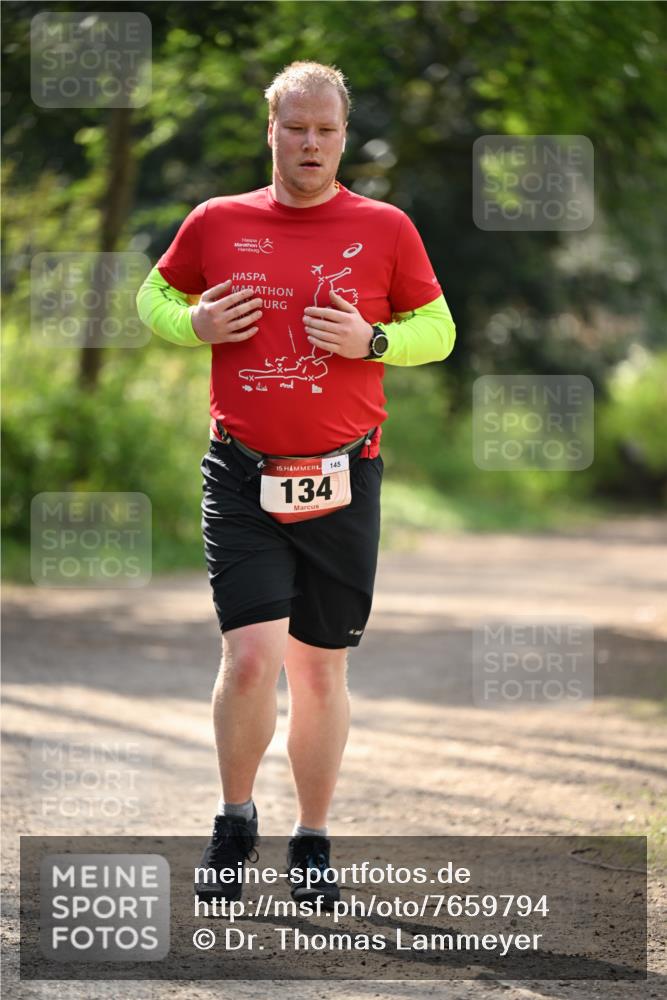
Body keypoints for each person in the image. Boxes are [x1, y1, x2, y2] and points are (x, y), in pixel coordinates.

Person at [136, 60, 455, 908]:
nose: (310, 143)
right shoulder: (217, 221)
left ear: (343, 136)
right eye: (295, 127)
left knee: (319, 672)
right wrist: (191, 321)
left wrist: (373, 343)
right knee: (249, 660)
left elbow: (439, 329)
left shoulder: (385, 227)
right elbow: (153, 296)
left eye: (325, 129)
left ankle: (311, 841)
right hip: (240, 472)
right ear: (270, 130)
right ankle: (233, 820)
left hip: (344, 476)